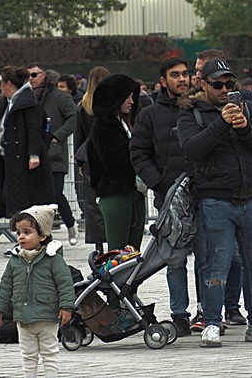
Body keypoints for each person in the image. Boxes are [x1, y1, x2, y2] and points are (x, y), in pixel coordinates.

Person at [177, 58, 252, 347]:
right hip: (215, 200)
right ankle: (212, 323)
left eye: (229, 84)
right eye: (217, 84)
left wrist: (245, 127)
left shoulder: (248, 108)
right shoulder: (192, 113)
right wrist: (222, 124)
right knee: (216, 264)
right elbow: (192, 149)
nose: (225, 89)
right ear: (203, 84)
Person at [130, 57, 192, 336]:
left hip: (203, 193)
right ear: (163, 81)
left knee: (208, 258)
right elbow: (138, 153)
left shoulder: (199, 107)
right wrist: (159, 182)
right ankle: (180, 314)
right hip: (169, 199)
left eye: (185, 74)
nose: (182, 79)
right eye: (175, 75)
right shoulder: (150, 114)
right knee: (175, 260)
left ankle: (211, 312)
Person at [0, 204, 74, 378]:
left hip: (47, 316)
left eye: (27, 232)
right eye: (18, 233)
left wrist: (66, 307)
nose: (21, 237)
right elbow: (5, 286)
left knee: (49, 352)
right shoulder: (15, 260)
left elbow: (65, 283)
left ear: (42, 235)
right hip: (23, 316)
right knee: (27, 354)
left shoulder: (53, 259)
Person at [0, 66, 54, 220]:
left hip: (21, 160)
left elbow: (33, 130)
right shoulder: (6, 104)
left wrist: (33, 154)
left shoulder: (28, 104)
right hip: (6, 158)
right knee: (8, 197)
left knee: (20, 200)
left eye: (0, 82)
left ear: (9, 83)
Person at [88, 74, 144, 250]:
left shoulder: (126, 123)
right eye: (126, 97)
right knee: (118, 251)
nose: (131, 102)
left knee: (133, 251)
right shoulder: (102, 127)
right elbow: (112, 161)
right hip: (115, 193)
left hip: (134, 192)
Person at [28, 64, 79, 246]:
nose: (31, 78)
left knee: (55, 194)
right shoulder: (30, 97)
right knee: (38, 197)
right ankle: (43, 235)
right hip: (35, 154)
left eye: (34, 74)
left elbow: (74, 117)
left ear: (44, 76)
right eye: (28, 75)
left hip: (55, 155)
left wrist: (58, 135)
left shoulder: (60, 97)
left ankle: (71, 223)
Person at [74, 66, 110, 249]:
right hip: (109, 153)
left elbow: (79, 135)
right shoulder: (112, 104)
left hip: (89, 155)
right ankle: (114, 237)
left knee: (92, 203)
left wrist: (79, 160)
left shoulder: (84, 105)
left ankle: (98, 244)